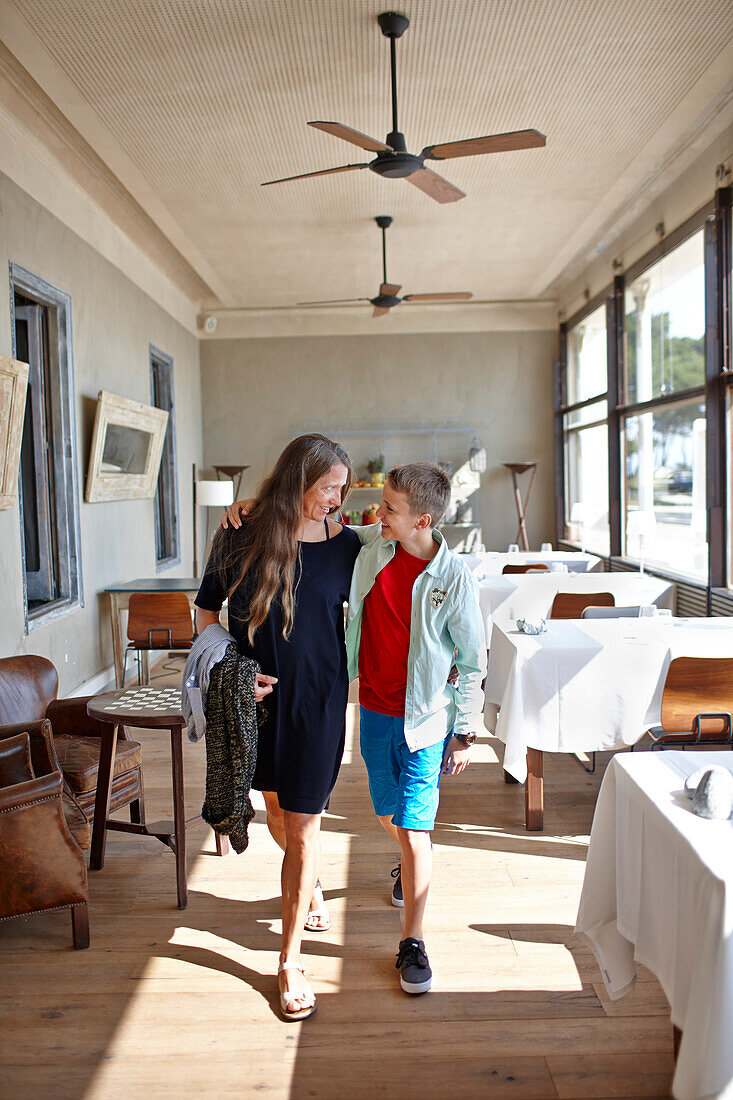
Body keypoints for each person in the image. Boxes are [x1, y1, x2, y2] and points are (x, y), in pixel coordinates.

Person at [194, 434, 361, 1021]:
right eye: (327, 488)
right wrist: (234, 667)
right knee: (275, 811)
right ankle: (308, 885)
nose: (337, 500)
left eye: (341, 488)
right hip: (256, 703)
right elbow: (207, 611)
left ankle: (289, 960)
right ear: (297, 482)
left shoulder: (351, 548)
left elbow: (417, 555)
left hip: (320, 702)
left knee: (306, 823)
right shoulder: (240, 534)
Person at [344, 462, 486, 994]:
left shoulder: (453, 578)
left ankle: (413, 941)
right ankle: (408, 862)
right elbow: (318, 525)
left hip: (426, 721)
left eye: (390, 509)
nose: (378, 513)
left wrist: (466, 732)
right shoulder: (372, 547)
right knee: (390, 816)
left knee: (416, 827)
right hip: (375, 711)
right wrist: (250, 510)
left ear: (422, 519)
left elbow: (473, 661)